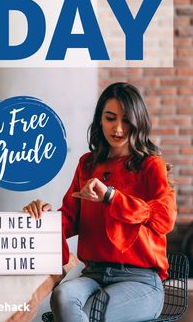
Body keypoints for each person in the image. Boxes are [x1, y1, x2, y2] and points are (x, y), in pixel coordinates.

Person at [23, 82, 177, 322]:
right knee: (61, 297)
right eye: (110, 118)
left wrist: (111, 196)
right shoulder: (88, 164)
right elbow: (71, 219)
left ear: (138, 122)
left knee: (87, 313)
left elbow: (164, 218)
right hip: (93, 274)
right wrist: (44, 218)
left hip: (139, 280)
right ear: (100, 120)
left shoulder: (150, 165)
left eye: (126, 120)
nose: (117, 128)